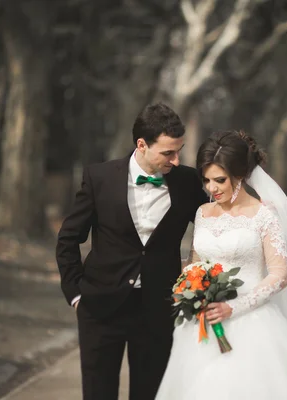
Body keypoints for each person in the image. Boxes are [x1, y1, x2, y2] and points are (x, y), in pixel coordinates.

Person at [156, 130, 287, 399]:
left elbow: (279, 275)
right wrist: (191, 289)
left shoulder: (265, 215)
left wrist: (234, 307)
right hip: (202, 325)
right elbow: (196, 264)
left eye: (219, 180)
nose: (211, 188)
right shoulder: (203, 213)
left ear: (239, 175)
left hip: (252, 323)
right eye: (206, 180)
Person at [56, 103, 208, 400]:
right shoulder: (99, 178)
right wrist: (75, 294)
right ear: (142, 144)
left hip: (158, 308)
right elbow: (68, 238)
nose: (176, 160)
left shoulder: (188, 182)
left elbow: (215, 228)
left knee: (151, 395)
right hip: (100, 308)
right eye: (168, 152)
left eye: (179, 151)